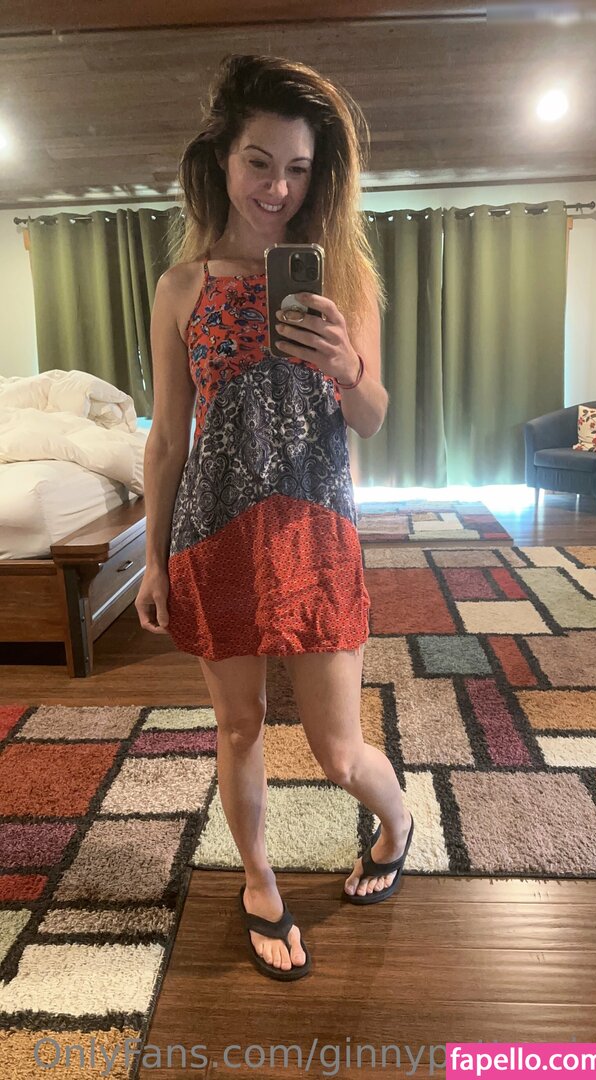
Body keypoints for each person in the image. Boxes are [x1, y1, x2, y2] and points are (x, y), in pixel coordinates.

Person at [135, 53, 414, 981]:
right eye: (259, 162)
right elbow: (167, 439)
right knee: (241, 727)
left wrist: (345, 365)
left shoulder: (344, 279)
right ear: (222, 158)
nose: (277, 187)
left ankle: (398, 820)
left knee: (338, 750)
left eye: (297, 168)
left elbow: (372, 417)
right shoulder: (180, 287)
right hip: (213, 539)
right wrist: (152, 560)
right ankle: (259, 883)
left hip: (315, 536)